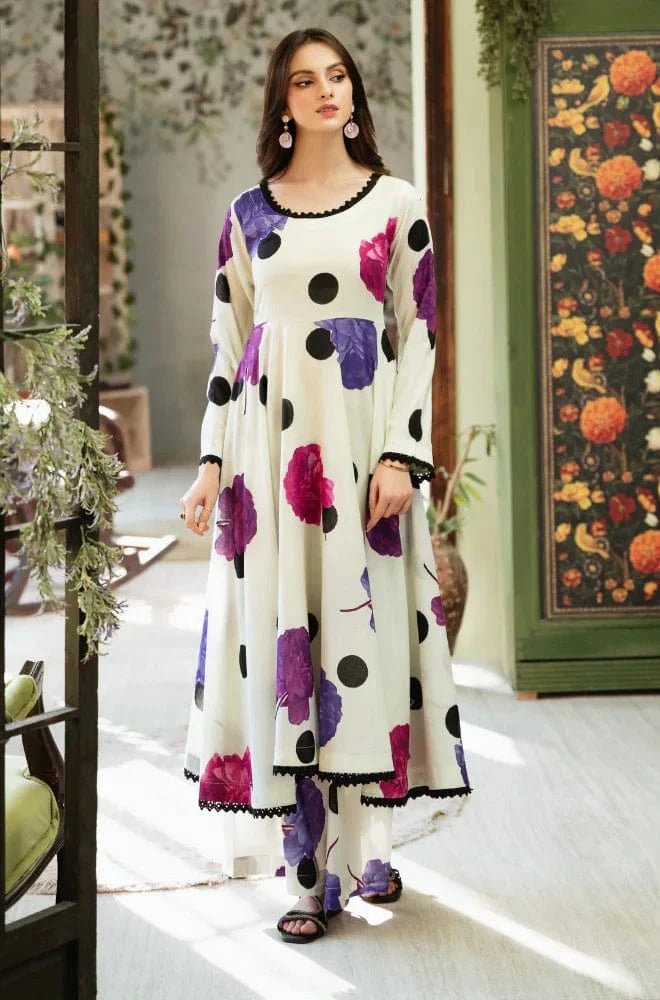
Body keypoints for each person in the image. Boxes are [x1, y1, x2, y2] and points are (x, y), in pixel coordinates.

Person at [179, 26, 473, 943]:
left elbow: (419, 335)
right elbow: (230, 347)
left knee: (361, 647)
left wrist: (401, 455)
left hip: (361, 460)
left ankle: (370, 846)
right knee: (287, 649)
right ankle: (308, 877)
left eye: (337, 76)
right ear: (282, 102)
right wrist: (211, 462)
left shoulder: (397, 202)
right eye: (304, 80)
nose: (324, 91)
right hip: (268, 463)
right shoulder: (247, 214)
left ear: (352, 94)